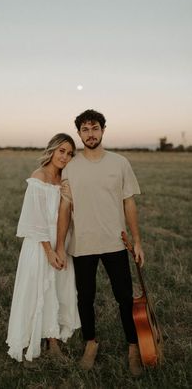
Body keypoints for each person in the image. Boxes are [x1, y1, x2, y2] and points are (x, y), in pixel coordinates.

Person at [56, 110, 145, 376]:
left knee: (124, 299)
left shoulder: (120, 163)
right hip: (82, 244)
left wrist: (137, 241)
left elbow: (128, 201)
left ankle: (133, 348)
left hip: (115, 243)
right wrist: (60, 245)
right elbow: (64, 209)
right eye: (85, 129)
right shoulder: (70, 167)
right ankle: (91, 343)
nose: (90, 134)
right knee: (85, 298)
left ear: (103, 130)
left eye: (95, 128)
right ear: (79, 134)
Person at [6, 133, 80, 367]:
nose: (65, 157)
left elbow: (67, 213)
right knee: (36, 290)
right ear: (52, 150)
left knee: (57, 289)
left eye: (69, 154)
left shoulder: (65, 179)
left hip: (61, 241)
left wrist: (61, 246)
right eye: (62, 151)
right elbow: (34, 219)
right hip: (40, 243)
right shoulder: (38, 177)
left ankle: (53, 340)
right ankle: (28, 342)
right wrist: (49, 250)